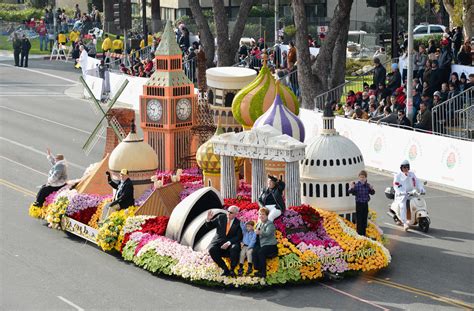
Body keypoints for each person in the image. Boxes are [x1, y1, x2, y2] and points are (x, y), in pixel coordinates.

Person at [205, 206, 243, 277]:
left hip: (230, 244)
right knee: (211, 249)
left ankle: (232, 269)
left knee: (235, 247)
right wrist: (208, 220)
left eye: (231, 212)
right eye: (228, 211)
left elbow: (238, 236)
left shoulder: (238, 223)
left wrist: (229, 243)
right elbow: (209, 226)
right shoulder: (220, 217)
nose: (228, 213)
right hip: (218, 242)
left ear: (235, 214)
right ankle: (225, 269)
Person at [393, 160, 425, 231]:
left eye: (407, 167)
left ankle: (416, 217)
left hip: (412, 193)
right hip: (402, 195)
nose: (406, 169)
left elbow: (417, 182)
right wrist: (401, 192)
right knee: (402, 206)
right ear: (401, 168)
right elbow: (396, 185)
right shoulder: (398, 176)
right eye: (404, 167)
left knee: (417, 202)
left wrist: (421, 189)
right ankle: (405, 223)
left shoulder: (412, 174)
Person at [252, 208, 278, 278]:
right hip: (261, 244)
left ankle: (263, 273)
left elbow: (268, 233)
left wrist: (260, 232)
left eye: (263, 214)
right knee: (253, 251)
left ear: (267, 215)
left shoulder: (270, 224)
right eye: (260, 214)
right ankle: (258, 269)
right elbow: (254, 233)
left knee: (261, 252)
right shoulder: (258, 223)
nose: (261, 216)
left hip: (270, 245)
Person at [348, 170, 375, 236]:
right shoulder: (356, 186)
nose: (362, 179)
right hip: (359, 204)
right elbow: (351, 192)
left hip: (365, 204)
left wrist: (371, 189)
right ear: (359, 178)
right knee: (359, 219)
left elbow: (372, 193)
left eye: (363, 177)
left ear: (366, 178)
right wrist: (351, 187)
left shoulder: (368, 186)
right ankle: (359, 233)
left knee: (364, 219)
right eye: (361, 177)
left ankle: (363, 233)